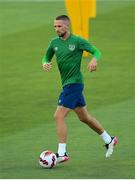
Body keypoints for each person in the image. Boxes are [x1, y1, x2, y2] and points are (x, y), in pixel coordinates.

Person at [42, 15, 118, 163]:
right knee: (84, 117)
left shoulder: (77, 41)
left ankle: (62, 153)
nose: (56, 29)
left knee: (58, 116)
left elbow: (96, 51)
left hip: (74, 84)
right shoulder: (54, 43)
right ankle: (109, 139)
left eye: (59, 26)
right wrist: (45, 63)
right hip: (67, 84)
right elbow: (46, 57)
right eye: (55, 26)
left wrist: (94, 59)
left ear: (66, 26)